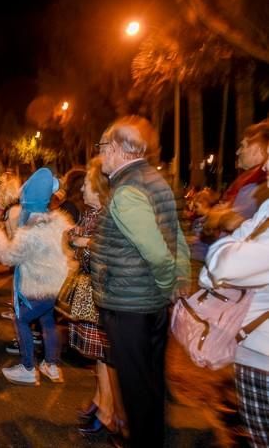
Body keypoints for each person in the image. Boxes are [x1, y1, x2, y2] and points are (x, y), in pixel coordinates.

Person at [91, 117, 190, 447]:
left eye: (103, 148)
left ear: (118, 149)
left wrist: (166, 284)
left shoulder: (127, 191)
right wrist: (178, 279)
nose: (101, 154)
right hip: (149, 304)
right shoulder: (157, 180)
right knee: (150, 384)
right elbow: (177, 238)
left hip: (130, 305)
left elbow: (157, 251)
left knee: (136, 388)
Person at [198, 146, 269, 447]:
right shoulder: (266, 207)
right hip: (254, 347)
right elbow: (216, 269)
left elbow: (224, 266)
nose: (265, 165)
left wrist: (223, 251)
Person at [0, 168, 73, 386]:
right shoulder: (59, 222)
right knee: (47, 321)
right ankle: (51, 365)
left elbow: (8, 256)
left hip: (35, 287)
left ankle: (27, 367)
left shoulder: (30, 232)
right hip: (56, 286)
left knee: (21, 319)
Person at [67, 158, 124, 439]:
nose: (82, 190)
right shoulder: (92, 215)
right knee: (100, 356)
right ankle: (101, 401)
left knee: (106, 354)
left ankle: (109, 412)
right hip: (92, 288)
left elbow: (106, 254)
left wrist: (84, 244)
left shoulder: (108, 216)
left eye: (87, 185)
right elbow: (76, 245)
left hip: (104, 290)